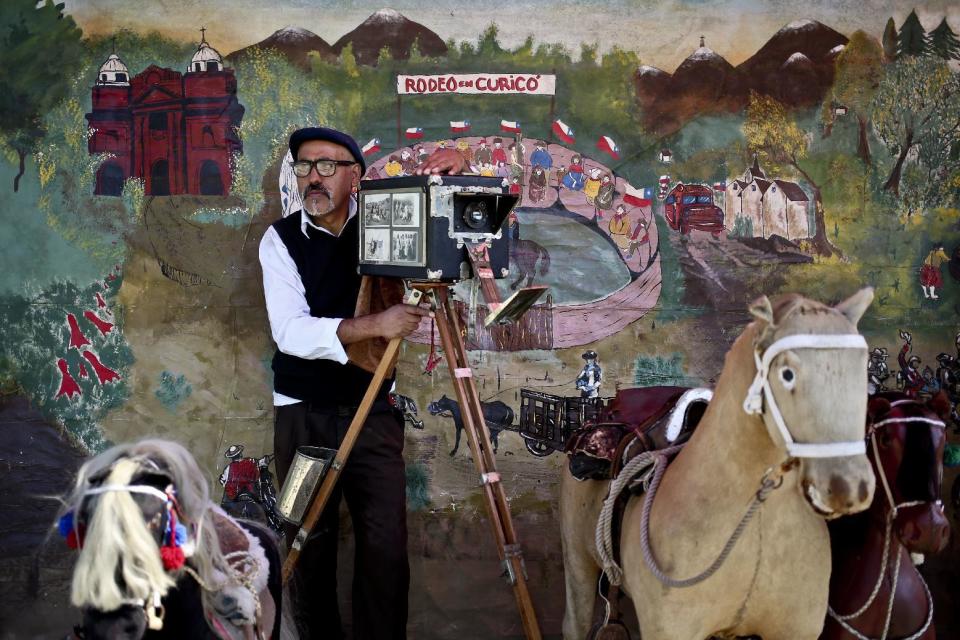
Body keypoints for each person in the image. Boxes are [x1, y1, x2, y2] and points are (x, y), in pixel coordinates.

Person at [258, 126, 466, 639]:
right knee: (308, 540)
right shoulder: (279, 240)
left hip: (372, 414)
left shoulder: (384, 223)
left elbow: (462, 211)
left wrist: (454, 163)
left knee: (385, 547)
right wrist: (376, 325)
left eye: (328, 166)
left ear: (356, 176)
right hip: (302, 416)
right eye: (304, 166)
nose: (313, 177)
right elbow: (289, 333)